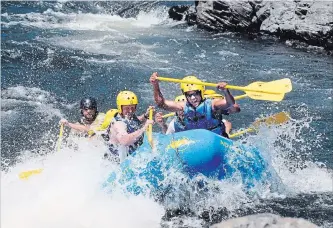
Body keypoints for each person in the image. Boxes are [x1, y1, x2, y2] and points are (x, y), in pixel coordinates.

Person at [150, 72, 240, 138]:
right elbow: (161, 103)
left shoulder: (212, 104)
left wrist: (225, 91)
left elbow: (230, 103)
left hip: (215, 139)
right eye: (189, 95)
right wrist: (155, 85)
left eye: (195, 94)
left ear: (201, 93)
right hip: (195, 142)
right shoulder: (182, 106)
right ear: (185, 95)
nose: (193, 98)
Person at [106, 91, 154, 162]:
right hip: (116, 164)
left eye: (133, 107)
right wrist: (144, 128)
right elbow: (124, 141)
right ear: (120, 108)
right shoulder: (119, 124)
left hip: (129, 159)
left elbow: (134, 122)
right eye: (127, 108)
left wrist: (145, 115)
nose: (131, 111)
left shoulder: (128, 117)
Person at [155, 94, 235, 136]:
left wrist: (226, 133)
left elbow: (227, 123)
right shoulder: (174, 123)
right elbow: (168, 136)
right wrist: (162, 125)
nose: (181, 112)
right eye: (179, 110)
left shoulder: (199, 116)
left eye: (182, 110)